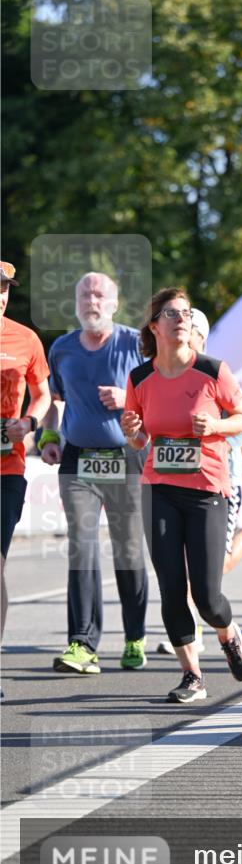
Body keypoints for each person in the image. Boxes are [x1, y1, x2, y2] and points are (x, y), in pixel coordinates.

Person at [121, 288, 242, 703]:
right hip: (159, 488)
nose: (181, 318)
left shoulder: (213, 370)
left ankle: (229, 635)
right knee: (171, 586)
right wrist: (133, 433)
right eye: (171, 313)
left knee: (208, 596)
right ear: (155, 326)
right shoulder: (139, 378)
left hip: (206, 490)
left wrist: (214, 427)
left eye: (185, 312)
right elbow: (141, 438)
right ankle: (191, 676)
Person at [154, 309, 242, 657]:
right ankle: (190, 634)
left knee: (217, 568)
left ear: (202, 338)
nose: (185, 335)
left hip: (220, 482)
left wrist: (219, 440)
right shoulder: (164, 371)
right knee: (177, 567)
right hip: (174, 485)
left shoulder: (214, 372)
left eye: (193, 331)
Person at [40, 272, 149, 675]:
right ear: (76, 302)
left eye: (99, 293)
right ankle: (82, 643)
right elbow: (53, 399)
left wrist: (127, 398)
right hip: (78, 459)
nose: (91, 300)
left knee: (127, 550)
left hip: (126, 457)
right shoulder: (63, 348)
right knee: (81, 546)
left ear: (115, 303)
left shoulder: (135, 343)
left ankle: (135, 636)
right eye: (84, 293)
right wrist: (49, 436)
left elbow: (158, 393)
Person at [1, 261, 51, 642]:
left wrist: (30, 423)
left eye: (4, 289)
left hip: (7, 468)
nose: (0, 296)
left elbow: (43, 395)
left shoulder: (26, 339)